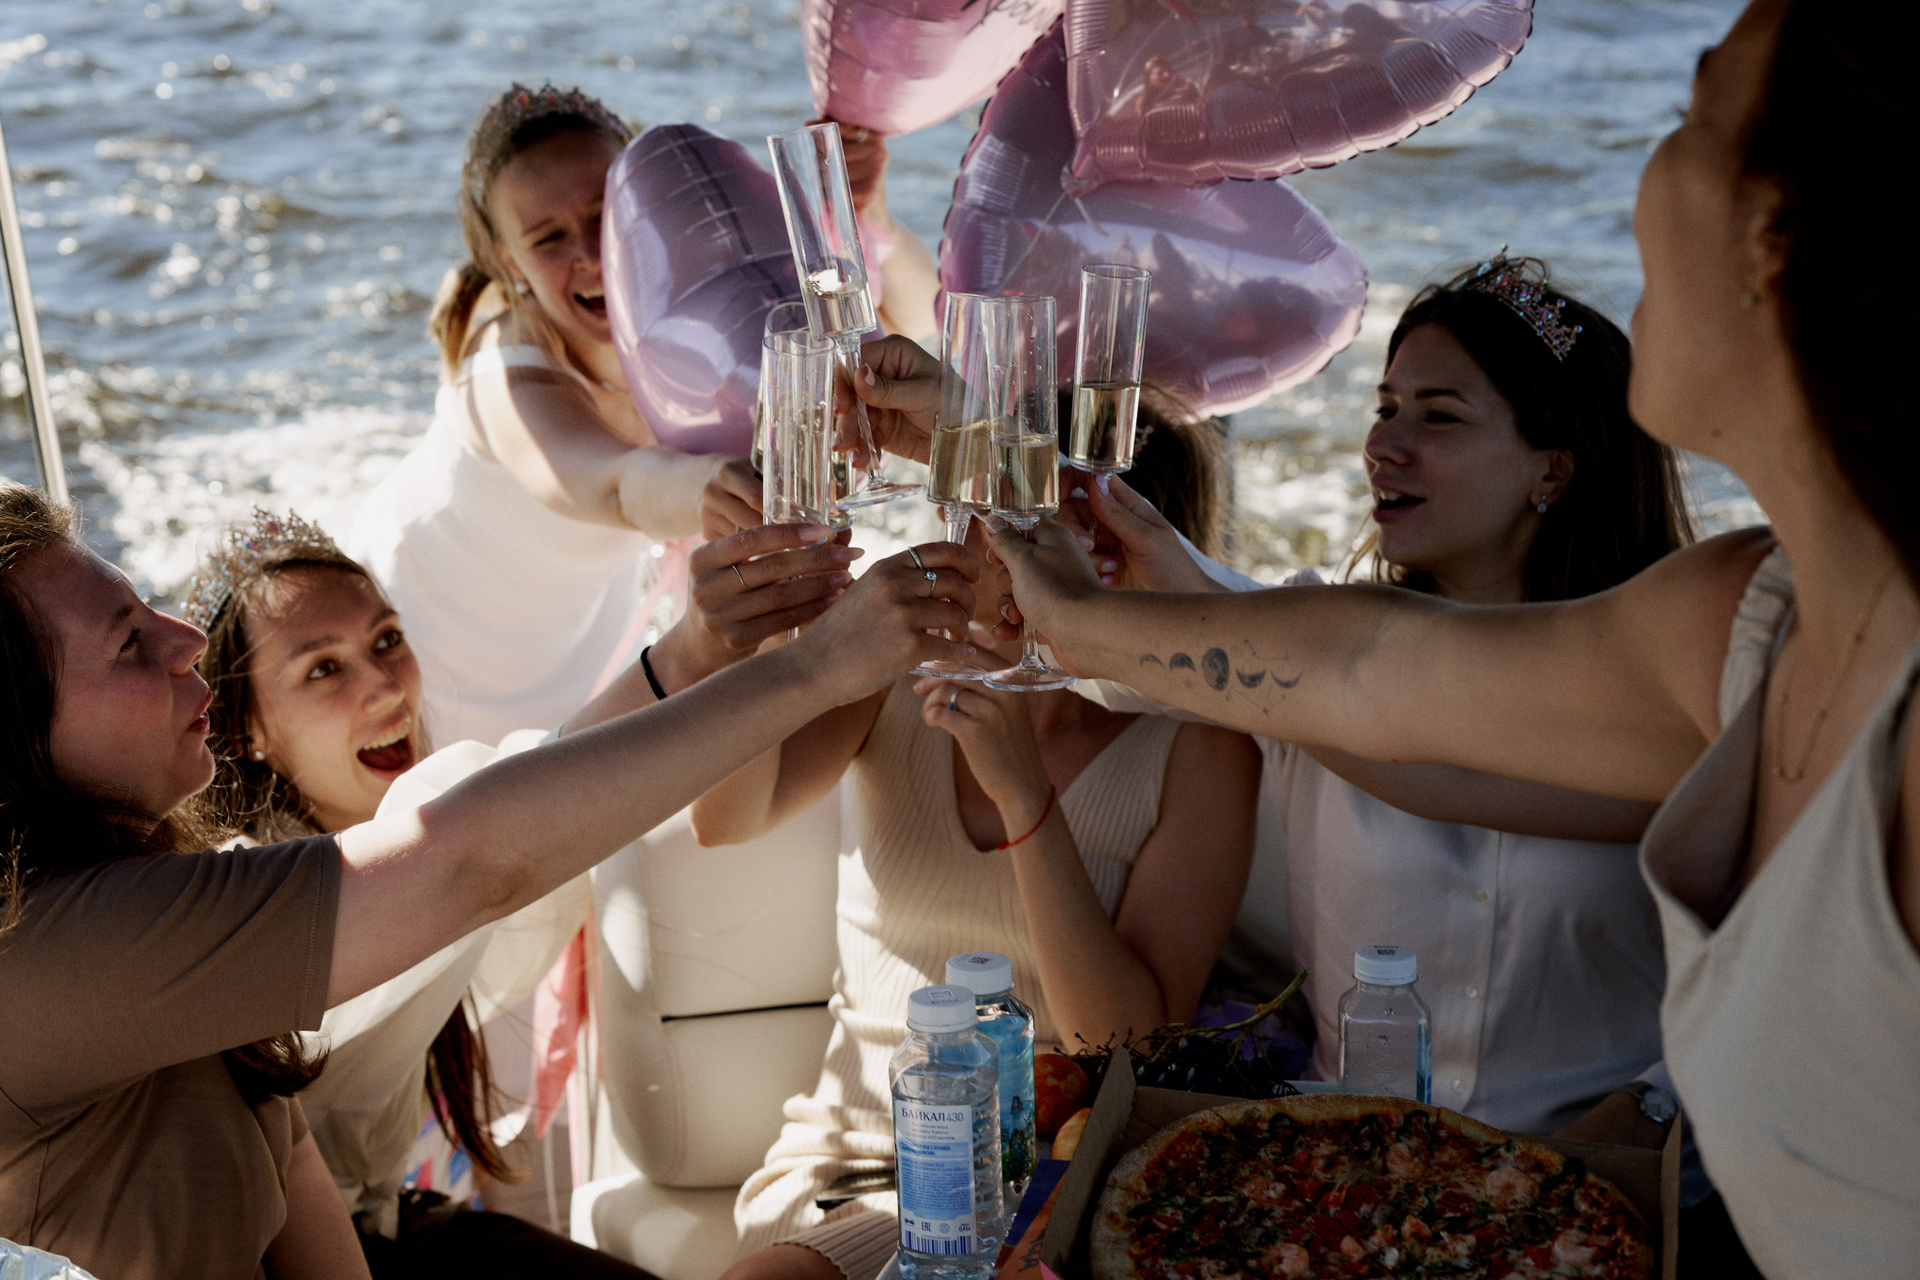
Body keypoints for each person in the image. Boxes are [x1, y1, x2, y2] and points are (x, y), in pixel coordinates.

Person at [971, 2, 1920, 1272]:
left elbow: (1353, 675)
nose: (1645, 166)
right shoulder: (1734, 622)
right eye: (1386, 406)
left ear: (1779, 235)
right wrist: (1039, 532)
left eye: (1691, 113)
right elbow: (1364, 670)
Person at [0, 478, 976, 1280]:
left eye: (387, 640)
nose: (182, 641)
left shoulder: (163, 897)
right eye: (128, 642)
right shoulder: (66, 950)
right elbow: (471, 858)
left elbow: (293, 1156)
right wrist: (817, 668)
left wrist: (707, 647)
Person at [1075, 252, 1690, 1142]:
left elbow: (1770, 952)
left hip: (1613, 1175)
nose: (1383, 446)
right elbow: (1120, 643)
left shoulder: (1673, 686)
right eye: (1385, 409)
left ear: (1553, 470)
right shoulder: (1301, 642)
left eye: (1438, 417)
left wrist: (1653, 1104)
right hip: (1347, 1167)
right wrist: (968, 431)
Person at [187, 507, 861, 1274]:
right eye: (322, 669)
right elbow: (487, 848)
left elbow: (519, 841)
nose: (384, 686)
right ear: (246, 729)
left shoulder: (413, 852)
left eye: (387, 641)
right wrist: (698, 651)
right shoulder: (246, 902)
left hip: (386, 1227)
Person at [697, 405, 1261, 1280]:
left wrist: (1025, 797)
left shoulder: (1201, 753)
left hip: (1050, 1182)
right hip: (861, 1162)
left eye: (1036, 534)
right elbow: (724, 820)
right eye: (985, 520)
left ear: (1121, 556)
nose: (995, 559)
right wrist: (757, 622)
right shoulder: (893, 672)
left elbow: (1126, 1045)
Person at [347, 85, 935, 744]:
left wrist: (867, 216)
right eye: (548, 238)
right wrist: (711, 485)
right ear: (511, 265)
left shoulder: (689, 316)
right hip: (413, 647)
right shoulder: (506, 366)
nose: (589, 254)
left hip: (579, 654)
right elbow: (614, 484)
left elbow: (910, 321)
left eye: (603, 217)